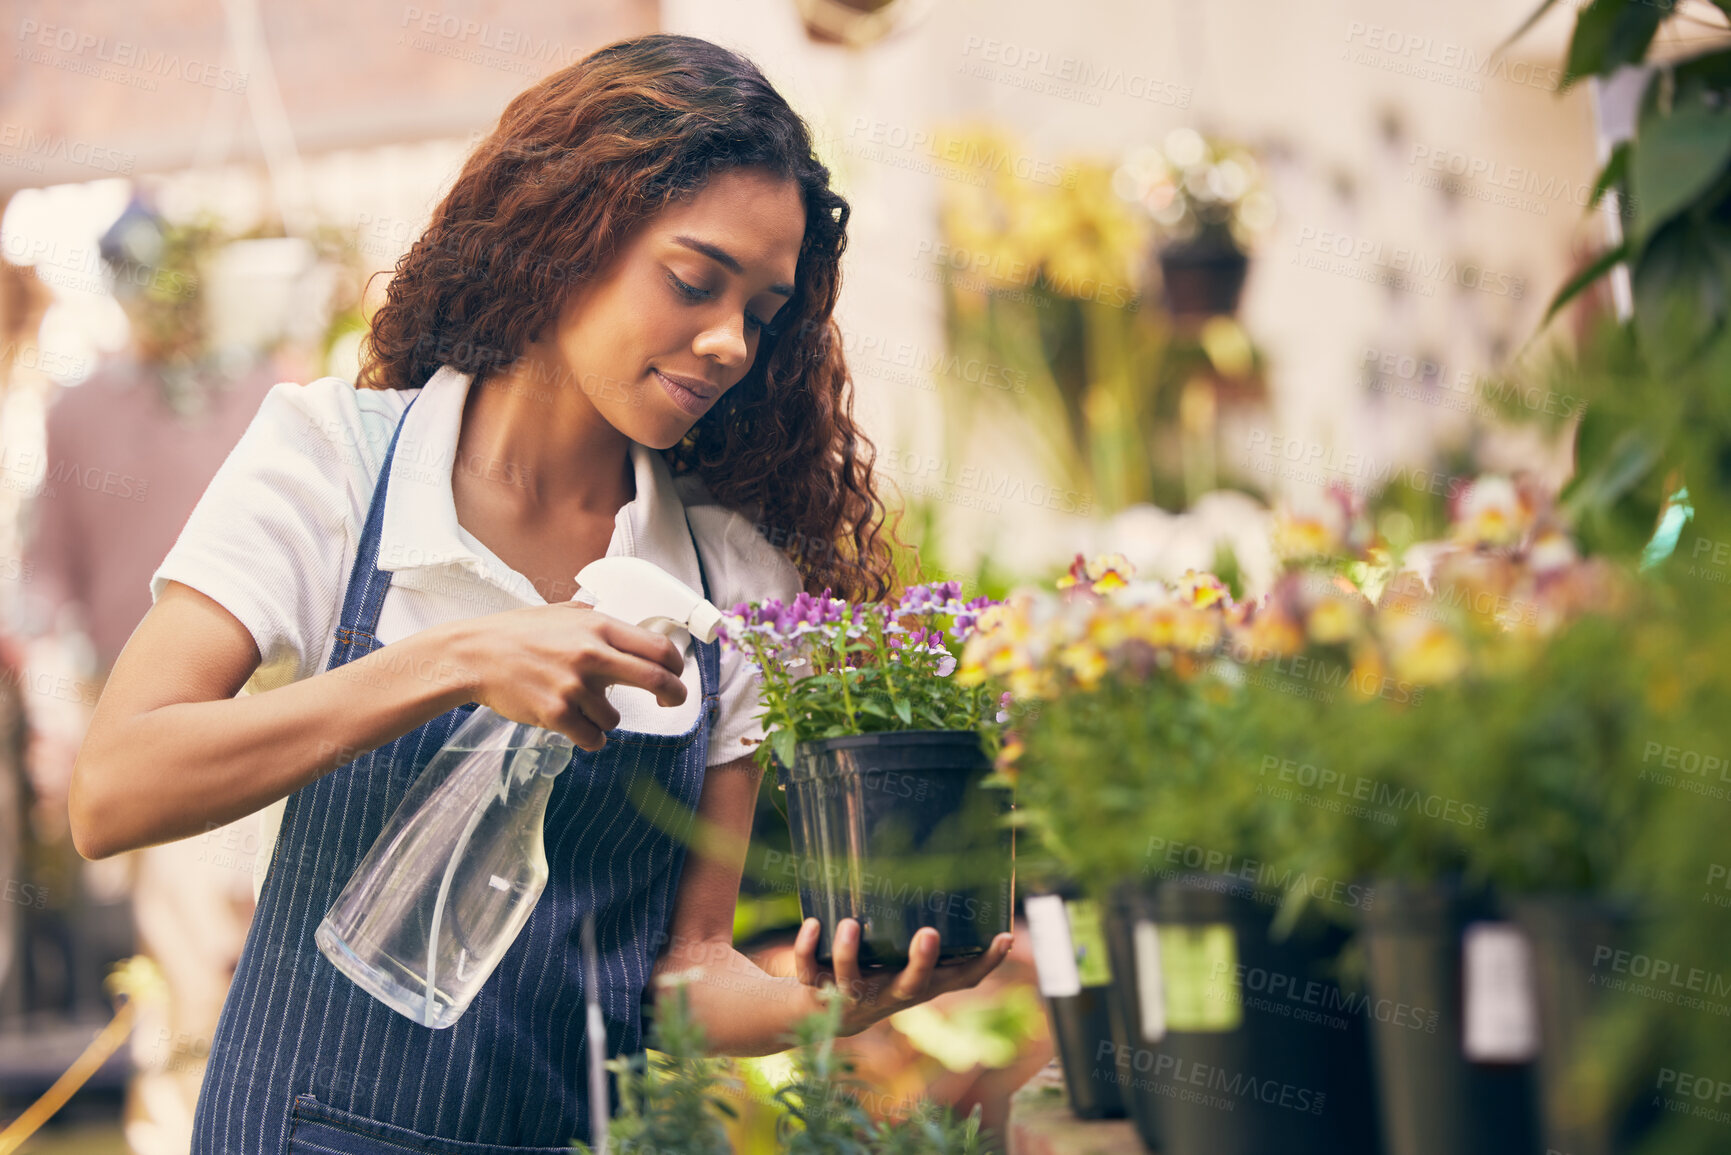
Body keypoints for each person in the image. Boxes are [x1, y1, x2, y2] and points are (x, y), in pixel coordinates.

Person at [69, 32, 1012, 1153]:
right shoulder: (338, 464)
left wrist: (838, 1003)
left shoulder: (727, 580)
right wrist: (456, 661)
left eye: (761, 313)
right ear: (569, 235)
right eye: (692, 281)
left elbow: (681, 972)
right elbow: (115, 789)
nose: (726, 344)